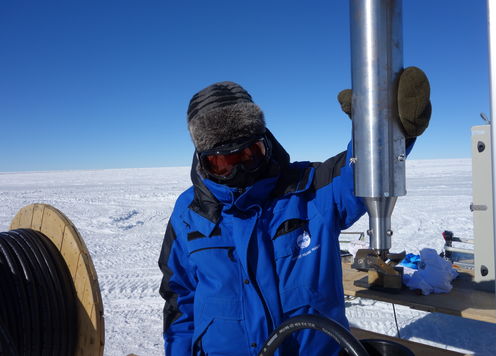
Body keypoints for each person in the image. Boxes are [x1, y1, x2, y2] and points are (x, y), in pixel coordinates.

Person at [158, 69, 431, 356]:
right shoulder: (188, 212)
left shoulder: (312, 187)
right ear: (203, 162)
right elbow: (180, 297)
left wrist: (383, 129)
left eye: (250, 155)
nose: (240, 170)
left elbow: (364, 171)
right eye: (223, 162)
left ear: (266, 143)